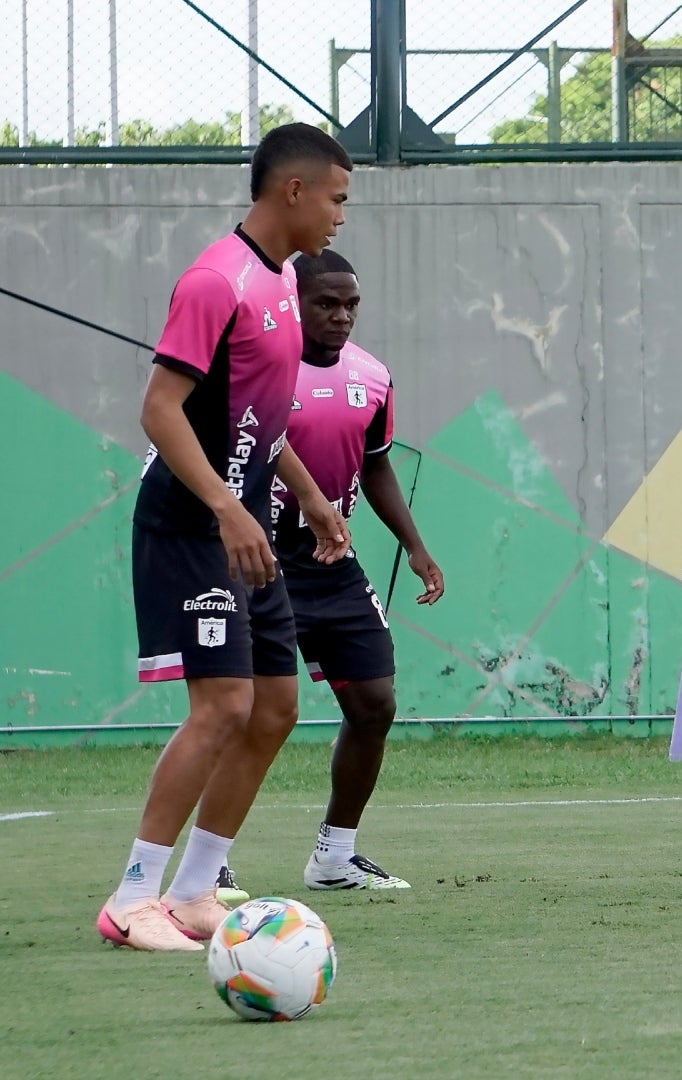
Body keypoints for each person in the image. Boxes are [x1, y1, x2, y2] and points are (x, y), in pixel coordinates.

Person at [98, 123, 354, 951]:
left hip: (244, 530)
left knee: (275, 707)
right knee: (224, 706)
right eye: (338, 198)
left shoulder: (283, 283)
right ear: (294, 191)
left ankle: (198, 889)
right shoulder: (217, 280)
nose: (342, 216)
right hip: (190, 523)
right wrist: (227, 508)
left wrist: (310, 500)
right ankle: (133, 898)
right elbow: (159, 410)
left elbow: (258, 423)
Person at [250, 249, 440, 891]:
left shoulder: (374, 377)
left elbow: (376, 463)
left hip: (333, 560)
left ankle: (334, 857)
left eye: (350, 304)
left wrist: (413, 546)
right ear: (292, 302)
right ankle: (208, 864)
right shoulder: (262, 369)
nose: (340, 316)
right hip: (260, 560)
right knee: (247, 711)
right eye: (325, 304)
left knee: (374, 703)